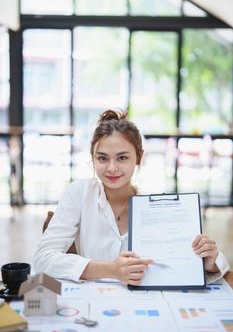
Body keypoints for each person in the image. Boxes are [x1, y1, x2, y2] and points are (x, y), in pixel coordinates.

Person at [34, 109, 230, 285]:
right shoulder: (79, 193)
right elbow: (43, 259)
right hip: (93, 302)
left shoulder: (157, 206)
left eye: (122, 157)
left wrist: (208, 262)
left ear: (139, 157)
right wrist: (112, 270)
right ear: (92, 158)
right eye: (102, 158)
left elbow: (183, 266)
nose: (112, 168)